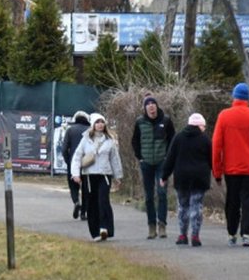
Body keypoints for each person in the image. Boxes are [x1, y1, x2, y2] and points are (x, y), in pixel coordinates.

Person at [212, 82, 249, 248]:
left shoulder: (224, 116)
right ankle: (246, 234)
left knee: (232, 201)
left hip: (231, 168)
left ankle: (232, 234)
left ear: (234, 97)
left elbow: (216, 145)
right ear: (248, 98)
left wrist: (217, 171)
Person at [160, 113, 213, 247]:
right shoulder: (205, 139)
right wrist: (217, 175)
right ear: (199, 125)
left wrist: (164, 176)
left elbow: (170, 158)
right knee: (196, 207)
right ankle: (195, 236)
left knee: (183, 207)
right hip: (199, 178)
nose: (204, 129)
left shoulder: (178, 137)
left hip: (182, 177)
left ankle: (182, 235)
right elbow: (212, 160)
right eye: (203, 126)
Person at [70, 113, 124, 242]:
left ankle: (105, 228)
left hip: (104, 175)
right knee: (92, 203)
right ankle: (95, 232)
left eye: (102, 122)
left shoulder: (109, 141)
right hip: (89, 176)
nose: (100, 125)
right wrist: (75, 174)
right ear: (93, 125)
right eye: (97, 122)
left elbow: (115, 159)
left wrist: (118, 176)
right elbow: (77, 157)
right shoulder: (85, 139)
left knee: (103, 200)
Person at [132, 96, 176, 239]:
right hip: (146, 163)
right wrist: (140, 157)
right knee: (149, 196)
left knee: (162, 193)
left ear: (157, 106)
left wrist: (168, 157)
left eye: (153, 103)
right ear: (145, 108)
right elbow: (135, 141)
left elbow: (173, 140)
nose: (151, 106)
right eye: (148, 104)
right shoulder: (140, 122)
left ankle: (162, 224)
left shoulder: (166, 121)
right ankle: (151, 226)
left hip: (162, 163)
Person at [61, 111, 91, 220]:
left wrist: (68, 161)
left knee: (73, 185)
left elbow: (64, 149)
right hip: (88, 163)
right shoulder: (90, 130)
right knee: (86, 188)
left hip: (73, 162)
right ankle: (83, 213)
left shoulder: (70, 130)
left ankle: (76, 201)